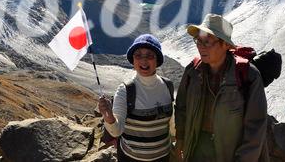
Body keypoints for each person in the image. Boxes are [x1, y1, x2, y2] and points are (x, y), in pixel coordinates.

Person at [174, 14, 269, 162]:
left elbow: (255, 128)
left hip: (231, 154)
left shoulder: (248, 76)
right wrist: (180, 139)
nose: (201, 47)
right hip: (196, 150)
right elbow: (181, 107)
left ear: (225, 45)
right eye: (198, 41)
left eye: (207, 42)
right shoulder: (193, 71)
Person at [98, 34, 174, 162]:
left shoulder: (168, 86)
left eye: (149, 55)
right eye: (138, 55)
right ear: (133, 60)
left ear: (157, 60)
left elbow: (172, 125)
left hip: (163, 157)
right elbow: (116, 131)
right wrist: (109, 117)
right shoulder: (125, 90)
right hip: (131, 158)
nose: (143, 61)